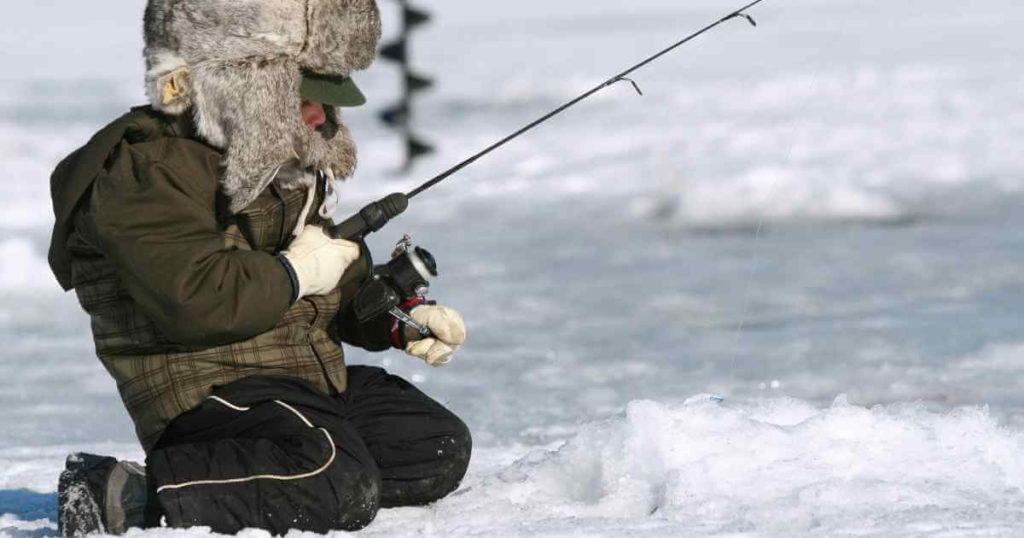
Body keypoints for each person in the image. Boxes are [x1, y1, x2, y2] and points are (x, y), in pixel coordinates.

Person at [46, 0, 471, 535]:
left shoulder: (276, 163)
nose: (321, 117)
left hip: (299, 380)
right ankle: (124, 493)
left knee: (431, 446)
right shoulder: (146, 172)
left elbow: (330, 290)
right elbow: (196, 301)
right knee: (337, 476)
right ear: (242, 89)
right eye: (306, 99)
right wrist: (296, 273)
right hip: (207, 395)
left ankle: (280, 480)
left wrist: (393, 316)